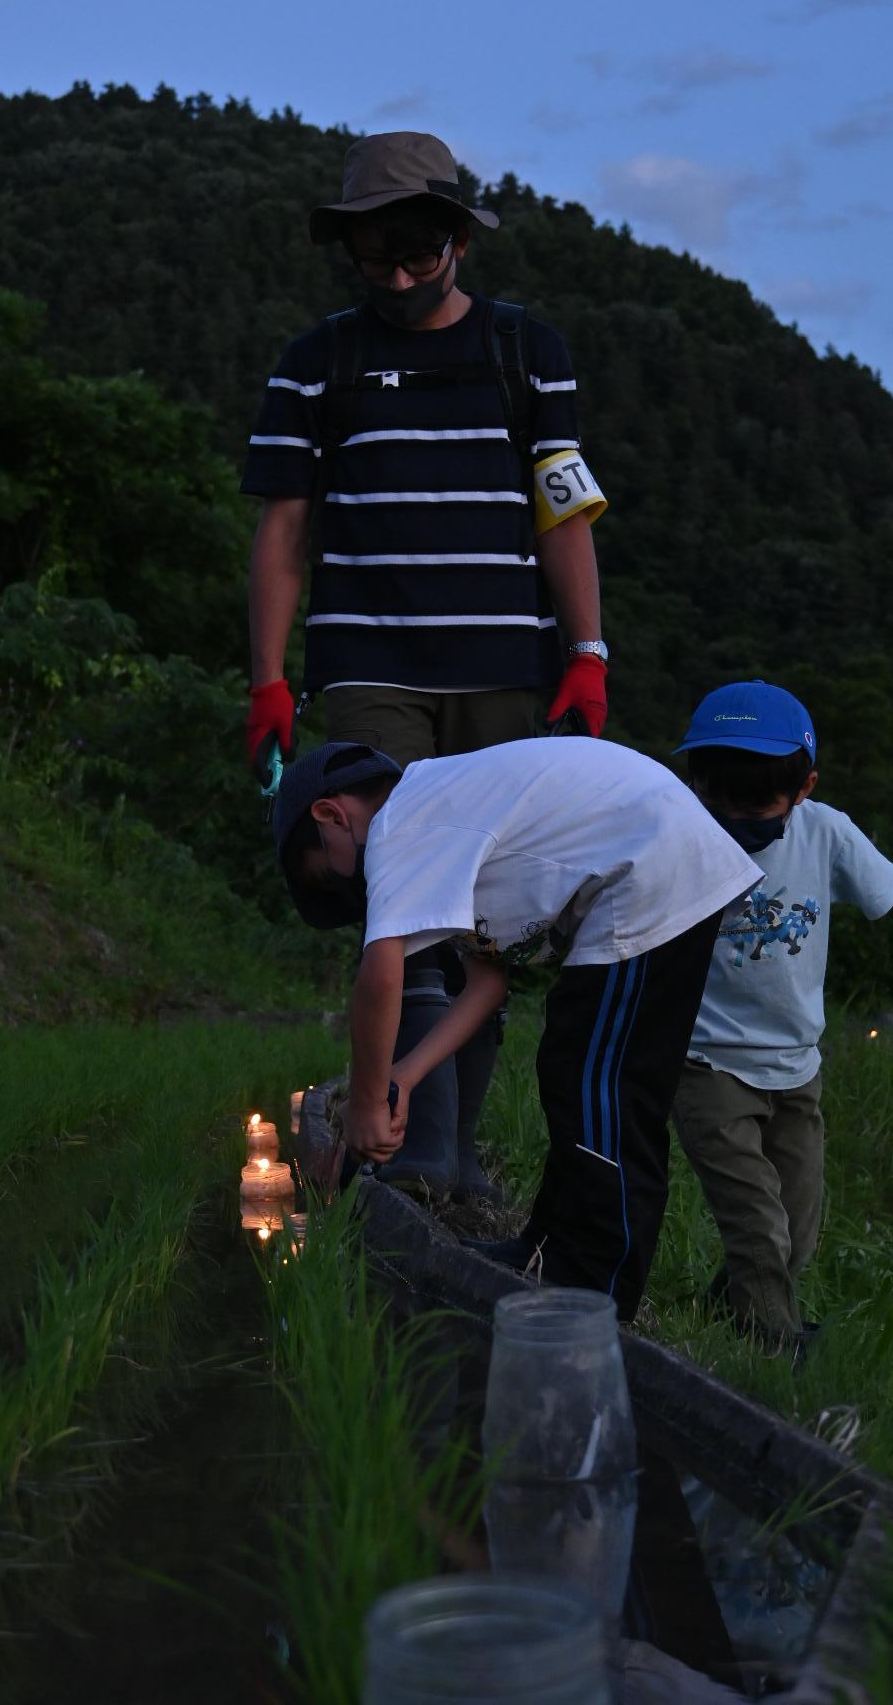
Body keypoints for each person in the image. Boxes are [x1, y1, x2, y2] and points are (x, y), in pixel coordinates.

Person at [241, 130, 609, 1200]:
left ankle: (449, 1144)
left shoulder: (525, 350)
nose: (398, 279)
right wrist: (268, 677)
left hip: (503, 667)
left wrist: (585, 654)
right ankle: (420, 1160)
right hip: (368, 669)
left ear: (458, 238)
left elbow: (564, 513)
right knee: (401, 898)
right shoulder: (319, 360)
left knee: (491, 912)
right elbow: (282, 533)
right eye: (375, 260)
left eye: (419, 256)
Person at [270, 737, 760, 1320]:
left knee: (606, 1090)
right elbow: (487, 985)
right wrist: (404, 1074)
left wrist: (368, 1105)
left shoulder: (400, 824)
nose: (346, 889)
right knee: (573, 1070)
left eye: (327, 875)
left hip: (653, 871)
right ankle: (547, 1253)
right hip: (651, 867)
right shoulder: (442, 832)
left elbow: (379, 978)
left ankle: (598, 1295)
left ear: (331, 815)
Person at [672, 680, 893, 1349]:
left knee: (795, 1232)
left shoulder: (824, 833)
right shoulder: (683, 832)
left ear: (805, 786)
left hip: (794, 1068)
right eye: (722, 800)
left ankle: (724, 1314)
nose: (741, 818)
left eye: (761, 806)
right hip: (706, 1063)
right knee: (757, 1225)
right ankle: (776, 1353)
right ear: (696, 784)